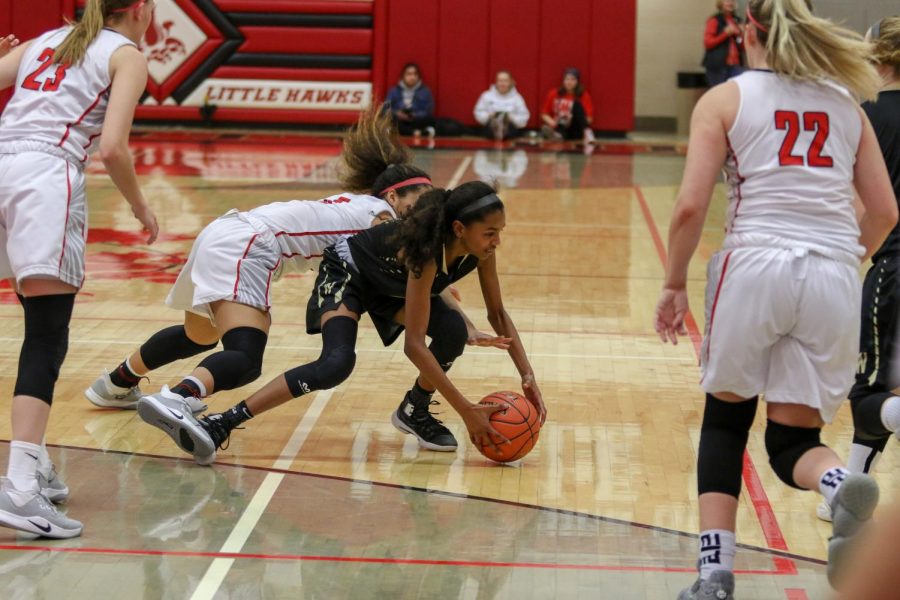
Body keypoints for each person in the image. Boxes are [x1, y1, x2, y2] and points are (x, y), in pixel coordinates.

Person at [653, 1, 897, 597]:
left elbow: (688, 206)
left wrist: (674, 283)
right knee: (791, 442)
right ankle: (838, 481)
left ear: (745, 31)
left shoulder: (726, 99)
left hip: (756, 261)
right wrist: (842, 262)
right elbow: (886, 210)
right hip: (834, 270)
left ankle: (714, 575)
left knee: (726, 422)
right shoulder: (846, 103)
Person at [138, 181, 547, 465]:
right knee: (336, 364)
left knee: (455, 331)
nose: (497, 242)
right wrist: (466, 411)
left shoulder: (481, 253)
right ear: (459, 229)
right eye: (491, 233)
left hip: (388, 287)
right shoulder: (425, 251)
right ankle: (222, 422)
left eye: (500, 232)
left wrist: (528, 378)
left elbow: (497, 315)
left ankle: (414, 410)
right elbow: (414, 346)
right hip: (348, 274)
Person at [86, 109, 433, 417]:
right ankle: (179, 398)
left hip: (224, 231)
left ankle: (116, 383)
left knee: (199, 335)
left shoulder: (354, 204)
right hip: (249, 245)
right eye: (423, 198)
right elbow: (407, 274)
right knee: (246, 358)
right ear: (392, 196)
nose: (428, 207)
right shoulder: (381, 219)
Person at [0, 0, 160, 539]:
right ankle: (19, 485)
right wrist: (140, 206)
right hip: (47, 175)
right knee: (46, 336)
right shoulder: (127, 54)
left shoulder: (46, 41)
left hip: (2, 165)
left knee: (33, 324)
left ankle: (35, 462)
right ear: (138, 8)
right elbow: (113, 149)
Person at [816, 16, 900, 523]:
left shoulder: (866, 114)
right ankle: (844, 497)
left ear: (879, 59)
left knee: (867, 390)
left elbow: (854, 201)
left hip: (892, 266)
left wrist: (846, 258)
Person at [540, 68, 595, 145]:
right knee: (561, 122)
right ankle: (557, 136)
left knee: (576, 104)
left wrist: (573, 120)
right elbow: (544, 114)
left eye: (573, 79)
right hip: (559, 125)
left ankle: (587, 133)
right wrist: (554, 123)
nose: (569, 82)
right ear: (563, 81)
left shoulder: (583, 95)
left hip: (575, 127)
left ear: (577, 82)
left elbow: (589, 119)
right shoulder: (554, 93)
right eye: (567, 79)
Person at [473, 70, 530, 141]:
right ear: (496, 82)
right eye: (500, 81)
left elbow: (524, 118)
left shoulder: (517, 98)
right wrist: (490, 115)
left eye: (505, 81)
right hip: (490, 133)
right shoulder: (486, 96)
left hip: (511, 134)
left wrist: (510, 117)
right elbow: (478, 113)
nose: (502, 84)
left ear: (511, 82)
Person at [385, 63, 435, 138]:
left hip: (416, 121)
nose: (412, 77)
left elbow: (428, 111)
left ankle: (403, 132)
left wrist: (413, 115)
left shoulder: (425, 91)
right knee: (391, 120)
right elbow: (385, 109)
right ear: (403, 76)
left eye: (415, 74)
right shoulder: (394, 91)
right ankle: (416, 133)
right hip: (399, 120)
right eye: (409, 74)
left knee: (431, 120)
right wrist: (397, 113)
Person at [702, 0, 745, 87]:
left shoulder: (738, 21)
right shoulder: (714, 20)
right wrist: (725, 34)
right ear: (720, 3)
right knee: (719, 94)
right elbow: (708, 43)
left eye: (733, 1)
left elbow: (743, 47)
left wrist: (742, 34)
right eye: (727, 1)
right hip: (717, 66)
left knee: (737, 93)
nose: (730, 3)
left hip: (736, 65)